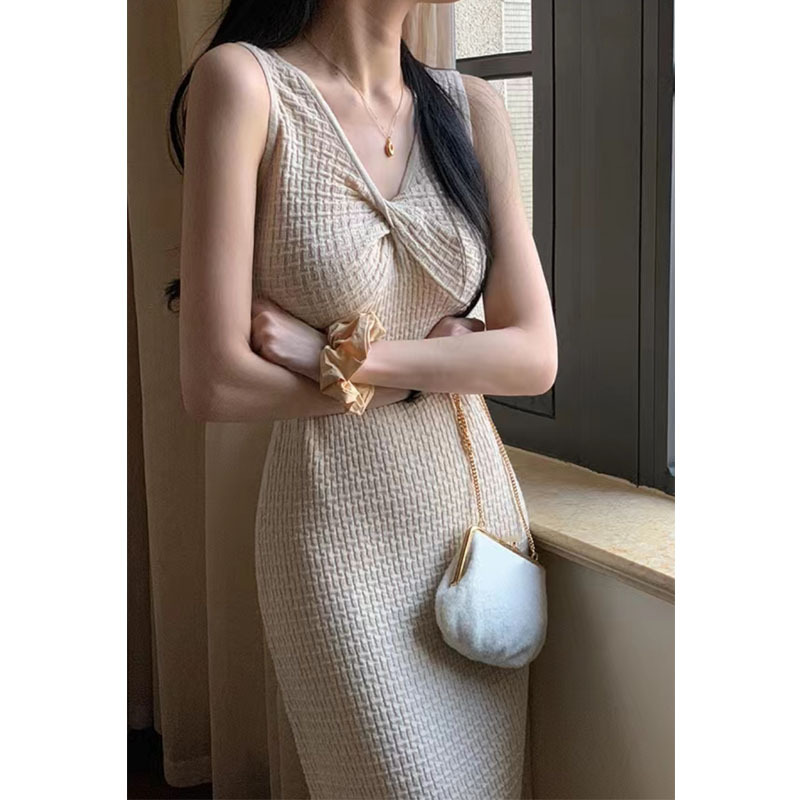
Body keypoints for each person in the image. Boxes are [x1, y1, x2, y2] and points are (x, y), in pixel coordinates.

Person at [168, 1, 557, 796]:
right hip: (334, 542)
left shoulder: (471, 109)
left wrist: (347, 359)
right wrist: (424, 375)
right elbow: (215, 381)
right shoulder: (245, 85)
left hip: (469, 528)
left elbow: (534, 356)